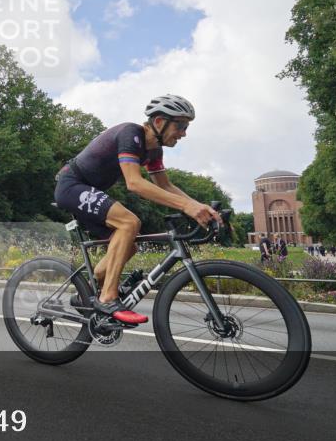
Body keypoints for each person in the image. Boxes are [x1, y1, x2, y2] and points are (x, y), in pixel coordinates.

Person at [54, 94, 221, 324]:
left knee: (128, 246)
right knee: (129, 222)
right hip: (71, 185)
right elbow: (134, 183)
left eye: (186, 127)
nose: (184, 133)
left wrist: (199, 207)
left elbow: (165, 185)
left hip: (89, 190)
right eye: (181, 125)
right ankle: (107, 298)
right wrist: (187, 206)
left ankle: (87, 293)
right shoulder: (130, 134)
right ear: (160, 122)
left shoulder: (154, 151)